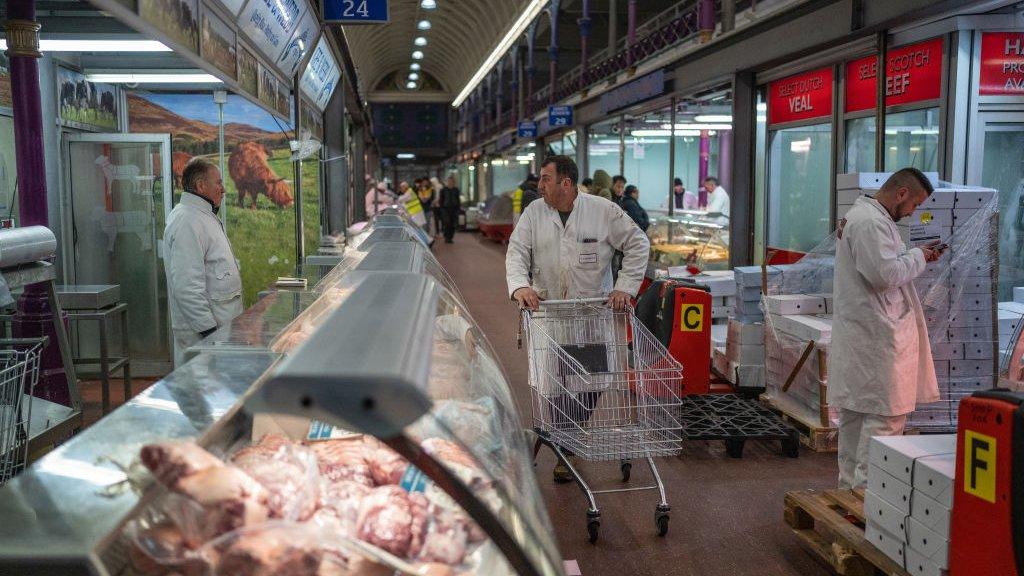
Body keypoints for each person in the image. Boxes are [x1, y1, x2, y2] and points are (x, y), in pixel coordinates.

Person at [506, 155, 649, 482]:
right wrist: (520, 287)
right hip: (550, 314)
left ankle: (565, 441)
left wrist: (625, 288)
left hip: (592, 314)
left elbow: (638, 243)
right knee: (552, 383)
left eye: (545, 178)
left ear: (565, 183)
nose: (539, 185)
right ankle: (566, 444)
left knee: (592, 381)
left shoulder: (602, 211)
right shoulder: (534, 213)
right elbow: (516, 253)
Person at [829, 167, 944, 489]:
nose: (912, 213)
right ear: (902, 193)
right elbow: (884, 276)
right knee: (883, 421)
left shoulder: (866, 218)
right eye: (915, 205)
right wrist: (919, 256)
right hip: (877, 339)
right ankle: (866, 501)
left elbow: (883, 265)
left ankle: (850, 492)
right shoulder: (870, 222)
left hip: (867, 336)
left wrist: (912, 255)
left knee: (856, 417)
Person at [164, 158, 243, 367]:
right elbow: (187, 287)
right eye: (218, 183)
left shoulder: (202, 215)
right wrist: (209, 333)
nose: (223, 189)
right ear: (200, 186)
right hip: (205, 336)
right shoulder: (187, 220)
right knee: (199, 392)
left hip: (220, 332)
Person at [439, 175, 462, 243]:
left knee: (453, 224)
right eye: (449, 181)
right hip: (445, 209)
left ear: (454, 182)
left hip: (454, 209)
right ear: (447, 182)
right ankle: (446, 237)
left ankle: (450, 237)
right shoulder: (443, 190)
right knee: (447, 223)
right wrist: (442, 209)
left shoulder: (456, 190)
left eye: (451, 181)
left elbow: (458, 200)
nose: (450, 182)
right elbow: (441, 200)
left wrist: (458, 208)